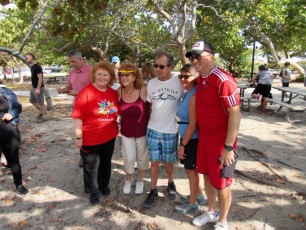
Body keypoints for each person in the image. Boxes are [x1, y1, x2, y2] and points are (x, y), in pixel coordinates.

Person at [185, 40, 241, 230]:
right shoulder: (201, 79)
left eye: (198, 56)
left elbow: (235, 112)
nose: (194, 60)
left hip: (222, 143)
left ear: (211, 56)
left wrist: (228, 147)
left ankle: (223, 221)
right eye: (192, 57)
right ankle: (211, 211)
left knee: (223, 183)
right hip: (205, 139)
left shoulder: (223, 80)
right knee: (207, 176)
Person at [71, 61, 119, 205]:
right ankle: (93, 191)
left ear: (110, 77)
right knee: (91, 166)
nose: (102, 77)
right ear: (94, 75)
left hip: (109, 136)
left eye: (106, 75)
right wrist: (78, 136)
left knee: (106, 163)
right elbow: (77, 116)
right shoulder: (85, 93)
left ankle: (104, 185)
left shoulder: (112, 92)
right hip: (90, 138)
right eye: (99, 74)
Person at [143, 51, 183, 208]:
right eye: (156, 66)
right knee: (154, 162)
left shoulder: (179, 82)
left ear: (171, 67)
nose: (158, 69)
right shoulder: (151, 83)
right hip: (152, 129)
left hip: (171, 130)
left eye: (161, 66)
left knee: (168, 162)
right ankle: (153, 189)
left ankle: (170, 183)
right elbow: (149, 105)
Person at [174, 64, 206, 214]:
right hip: (187, 137)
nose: (182, 79)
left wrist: (183, 145)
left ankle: (193, 204)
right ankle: (198, 195)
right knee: (193, 171)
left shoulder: (194, 95)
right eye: (181, 76)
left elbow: (193, 125)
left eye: (186, 76)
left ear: (196, 76)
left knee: (190, 171)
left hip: (191, 138)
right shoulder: (188, 92)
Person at [117, 63, 149, 195]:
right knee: (129, 157)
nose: (124, 77)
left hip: (142, 131)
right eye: (121, 75)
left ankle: (140, 180)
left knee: (142, 157)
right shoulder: (119, 91)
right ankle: (128, 179)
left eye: (127, 74)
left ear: (135, 76)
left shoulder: (143, 89)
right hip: (126, 131)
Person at [57, 49, 91, 168]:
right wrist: (63, 89)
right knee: (79, 132)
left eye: (74, 61)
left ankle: (92, 156)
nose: (72, 64)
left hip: (90, 107)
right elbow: (69, 85)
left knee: (89, 132)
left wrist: (79, 93)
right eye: (70, 62)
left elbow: (96, 90)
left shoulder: (91, 72)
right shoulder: (72, 72)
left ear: (81, 59)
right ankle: (83, 156)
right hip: (77, 107)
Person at [0, 80, 29, 195]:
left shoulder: (6, 91)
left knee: (14, 161)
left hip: (10, 132)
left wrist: (11, 114)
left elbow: (17, 107)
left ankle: (19, 184)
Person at [25, 53, 47, 120]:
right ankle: (43, 112)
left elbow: (40, 78)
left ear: (31, 57)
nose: (25, 59)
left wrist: (38, 88)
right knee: (32, 101)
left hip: (38, 87)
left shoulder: (37, 67)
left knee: (41, 103)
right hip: (33, 87)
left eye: (27, 57)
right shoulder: (32, 67)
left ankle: (45, 116)